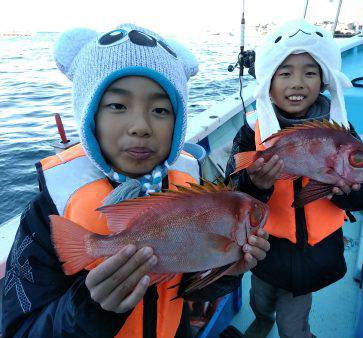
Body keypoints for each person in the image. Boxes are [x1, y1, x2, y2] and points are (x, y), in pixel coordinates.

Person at [1, 23, 270, 338]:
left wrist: (225, 272)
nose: (140, 125)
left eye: (159, 109)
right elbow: (18, 329)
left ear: (178, 123)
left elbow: (190, 291)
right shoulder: (47, 215)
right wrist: (90, 307)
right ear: (89, 116)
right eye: (117, 105)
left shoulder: (189, 189)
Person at [225, 19, 363, 338]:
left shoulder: (342, 134)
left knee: (293, 325)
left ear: (324, 80)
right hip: (266, 252)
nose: (298, 83)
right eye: (285, 73)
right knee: (260, 299)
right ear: (268, 82)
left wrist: (346, 191)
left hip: (313, 256)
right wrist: (258, 184)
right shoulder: (249, 134)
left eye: (310, 72)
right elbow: (232, 195)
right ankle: (262, 319)